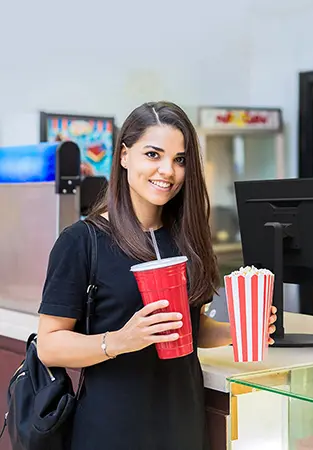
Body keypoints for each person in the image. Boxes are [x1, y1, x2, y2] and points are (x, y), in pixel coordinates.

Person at [36, 101, 277, 450]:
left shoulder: (186, 237)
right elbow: (50, 344)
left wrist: (236, 332)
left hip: (184, 422)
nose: (168, 170)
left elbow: (188, 325)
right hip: (112, 429)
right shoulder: (82, 240)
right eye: (153, 154)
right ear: (123, 156)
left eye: (180, 160)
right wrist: (118, 340)